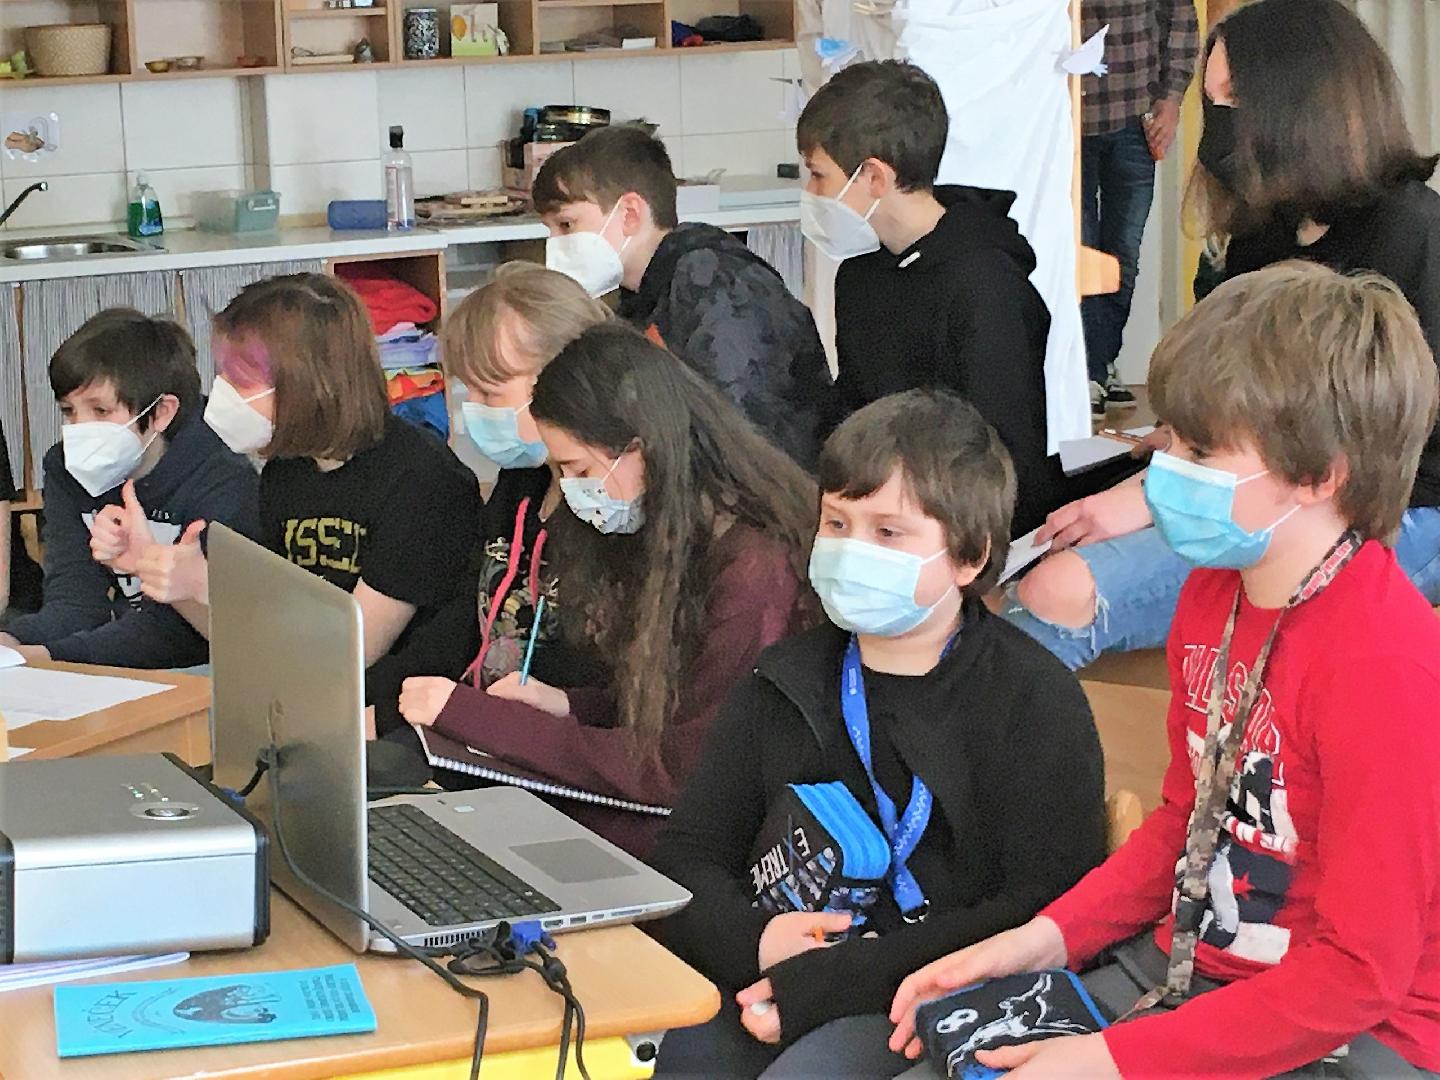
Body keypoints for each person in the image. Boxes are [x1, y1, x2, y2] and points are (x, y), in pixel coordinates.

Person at [890, 265, 1440, 1079]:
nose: (1166, 471)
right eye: (1170, 439)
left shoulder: (1386, 664)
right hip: (1193, 971)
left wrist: (1110, 1060)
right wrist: (1043, 940)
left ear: (1321, 475)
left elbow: (1359, 976)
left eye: (1200, 450)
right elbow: (1188, 823)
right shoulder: (1214, 595)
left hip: (1356, 1034)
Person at [650, 390, 1107, 1079]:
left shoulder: (1034, 698)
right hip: (778, 974)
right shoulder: (783, 678)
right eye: (836, 523)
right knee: (670, 1057)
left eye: (888, 532)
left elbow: (1040, 909)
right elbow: (688, 857)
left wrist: (823, 984)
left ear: (969, 557)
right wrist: (761, 941)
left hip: (940, 991)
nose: (850, 550)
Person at [1005, 0, 1440, 669]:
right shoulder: (1263, 235)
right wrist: (1177, 448)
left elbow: (1355, 438)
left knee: (1057, 589)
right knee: (1039, 520)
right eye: (1210, 102)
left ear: (1305, 101)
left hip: (1396, 507)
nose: (1217, 125)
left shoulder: (1416, 234)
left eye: (1234, 98)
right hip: (1261, 484)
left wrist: (1155, 494)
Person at [397, 322, 819, 858]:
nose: (572, 490)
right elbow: (670, 702)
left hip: (708, 832)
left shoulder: (755, 571)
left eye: (577, 469)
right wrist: (566, 705)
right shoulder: (676, 536)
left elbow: (679, 766)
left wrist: (480, 718)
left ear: (640, 451)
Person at [122, 273, 479, 722]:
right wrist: (169, 579)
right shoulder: (286, 472)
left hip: (388, 715)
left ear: (308, 384)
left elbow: (352, 650)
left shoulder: (421, 480)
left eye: (240, 380)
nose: (222, 393)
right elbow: (257, 641)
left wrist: (209, 589)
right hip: (306, 694)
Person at [796, 60, 1063, 536]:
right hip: (886, 519)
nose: (810, 192)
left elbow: (1004, 456)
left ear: (874, 177)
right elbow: (857, 410)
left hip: (975, 532)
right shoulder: (859, 274)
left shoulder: (986, 285)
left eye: (818, 175)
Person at [367, 263, 613, 739]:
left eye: (490, 393)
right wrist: (370, 708)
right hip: (477, 726)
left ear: (562, 381)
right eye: (470, 390)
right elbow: (462, 623)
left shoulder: (609, 507)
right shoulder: (521, 483)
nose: (475, 409)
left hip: (545, 741)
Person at [531, 124, 835, 471]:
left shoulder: (713, 283)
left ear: (630, 214)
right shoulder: (643, 295)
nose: (555, 245)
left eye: (566, 225)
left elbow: (743, 433)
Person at [0, 310, 258, 668]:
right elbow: (74, 602)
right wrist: (12, 642)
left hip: (209, 666)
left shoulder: (222, 478)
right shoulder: (66, 469)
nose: (80, 428)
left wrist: (47, 656)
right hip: (121, 656)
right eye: (69, 411)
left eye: (100, 411)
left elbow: (183, 634)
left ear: (161, 412)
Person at [1080, 0, 1198, 418]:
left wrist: (1172, 98)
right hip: (1066, 117)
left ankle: (1101, 361)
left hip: (1136, 117)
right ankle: (1088, 369)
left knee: (1123, 255)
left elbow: (1179, 15)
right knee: (1080, 253)